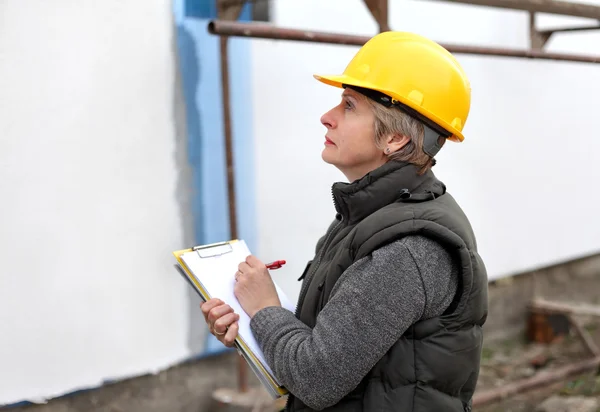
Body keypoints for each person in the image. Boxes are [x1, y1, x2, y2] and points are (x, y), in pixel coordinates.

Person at [201, 31, 488, 412]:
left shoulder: (409, 248)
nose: (327, 117)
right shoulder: (370, 217)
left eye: (349, 106)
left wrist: (264, 311)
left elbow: (317, 379)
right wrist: (251, 324)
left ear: (396, 139)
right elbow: (332, 352)